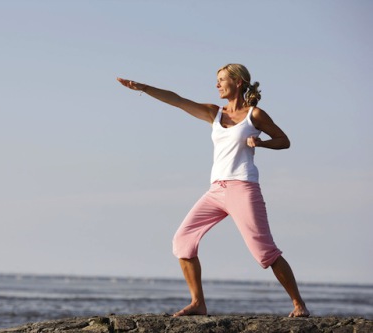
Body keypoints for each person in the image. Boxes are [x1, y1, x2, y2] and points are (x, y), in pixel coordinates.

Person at [116, 64, 310, 318]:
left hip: (243, 188)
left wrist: (260, 143)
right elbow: (178, 101)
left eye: (221, 80)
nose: (217, 85)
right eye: (216, 80)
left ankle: (299, 304)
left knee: (265, 251)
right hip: (216, 190)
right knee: (183, 241)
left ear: (238, 82)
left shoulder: (255, 115)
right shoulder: (214, 113)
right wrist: (143, 88)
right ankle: (198, 303)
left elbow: (284, 140)